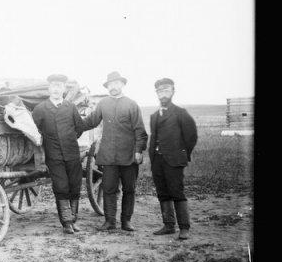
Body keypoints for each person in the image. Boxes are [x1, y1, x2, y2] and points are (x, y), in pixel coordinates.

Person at [80, 71, 148, 232]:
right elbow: (91, 121)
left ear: (122, 85)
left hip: (129, 156)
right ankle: (110, 221)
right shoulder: (103, 104)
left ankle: (126, 222)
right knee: (109, 188)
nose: (114, 87)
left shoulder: (132, 104)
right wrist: (72, 122)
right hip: (109, 156)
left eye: (117, 83)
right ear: (108, 86)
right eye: (110, 84)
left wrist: (138, 150)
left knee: (129, 189)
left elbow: (140, 131)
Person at [32, 74, 86, 234]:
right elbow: (34, 131)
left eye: (59, 86)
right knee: (61, 186)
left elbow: (80, 128)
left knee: (75, 185)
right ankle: (67, 223)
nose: (56, 89)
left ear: (64, 89)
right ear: (49, 88)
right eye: (53, 86)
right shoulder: (41, 108)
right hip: (53, 154)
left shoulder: (70, 107)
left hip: (72, 152)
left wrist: (68, 139)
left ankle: (74, 220)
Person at [149, 78, 198, 240]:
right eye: (160, 91)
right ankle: (169, 225)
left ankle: (184, 227)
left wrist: (182, 154)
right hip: (158, 161)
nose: (163, 94)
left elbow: (191, 137)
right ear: (157, 94)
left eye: (166, 90)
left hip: (174, 160)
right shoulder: (154, 116)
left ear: (172, 91)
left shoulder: (180, 113)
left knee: (177, 191)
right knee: (162, 192)